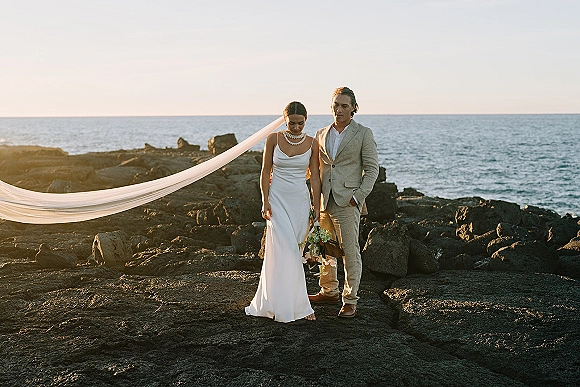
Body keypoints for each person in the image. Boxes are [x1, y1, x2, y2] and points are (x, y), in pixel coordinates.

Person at [245, 101, 321, 323]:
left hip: (299, 201)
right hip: (276, 200)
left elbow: (315, 176)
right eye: (291, 123)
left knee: (294, 252)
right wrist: (264, 200)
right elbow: (265, 170)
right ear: (284, 119)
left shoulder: (312, 143)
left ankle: (287, 302)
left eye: (300, 123)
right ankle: (299, 307)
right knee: (284, 249)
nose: (296, 128)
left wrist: (316, 206)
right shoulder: (273, 139)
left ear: (306, 120)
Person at [309, 87, 379, 318]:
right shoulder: (320, 133)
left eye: (344, 106)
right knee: (326, 249)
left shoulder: (363, 133)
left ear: (353, 108)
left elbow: (371, 170)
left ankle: (350, 299)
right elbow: (316, 169)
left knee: (350, 251)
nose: (339, 110)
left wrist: (357, 197)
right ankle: (328, 290)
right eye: (335, 105)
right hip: (324, 200)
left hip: (347, 201)